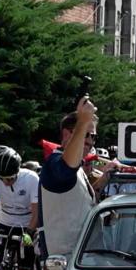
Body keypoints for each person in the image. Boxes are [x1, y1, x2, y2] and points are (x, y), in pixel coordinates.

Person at [38, 98, 98, 258]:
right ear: (66, 134)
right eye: (87, 134)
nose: (91, 142)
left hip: (81, 256)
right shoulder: (55, 162)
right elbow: (66, 169)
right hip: (64, 258)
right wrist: (83, 121)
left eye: (93, 137)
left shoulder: (77, 166)